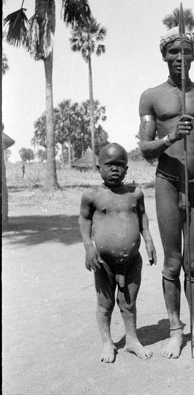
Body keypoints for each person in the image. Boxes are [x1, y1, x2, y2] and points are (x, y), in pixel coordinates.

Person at [138, 26, 194, 359]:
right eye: (173, 52)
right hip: (167, 182)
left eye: (186, 51)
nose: (180, 58)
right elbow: (145, 149)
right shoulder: (151, 96)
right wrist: (171, 137)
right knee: (172, 264)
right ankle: (176, 331)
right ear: (164, 55)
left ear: (193, 55)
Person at [79, 143, 157, 363]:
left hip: (132, 261)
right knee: (105, 305)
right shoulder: (92, 196)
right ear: (98, 167)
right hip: (104, 263)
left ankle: (132, 340)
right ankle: (107, 343)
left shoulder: (135, 193)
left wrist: (149, 240)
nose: (115, 169)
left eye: (120, 165)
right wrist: (88, 247)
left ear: (127, 168)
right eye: (109, 164)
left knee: (129, 303)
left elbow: (142, 219)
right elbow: (84, 220)